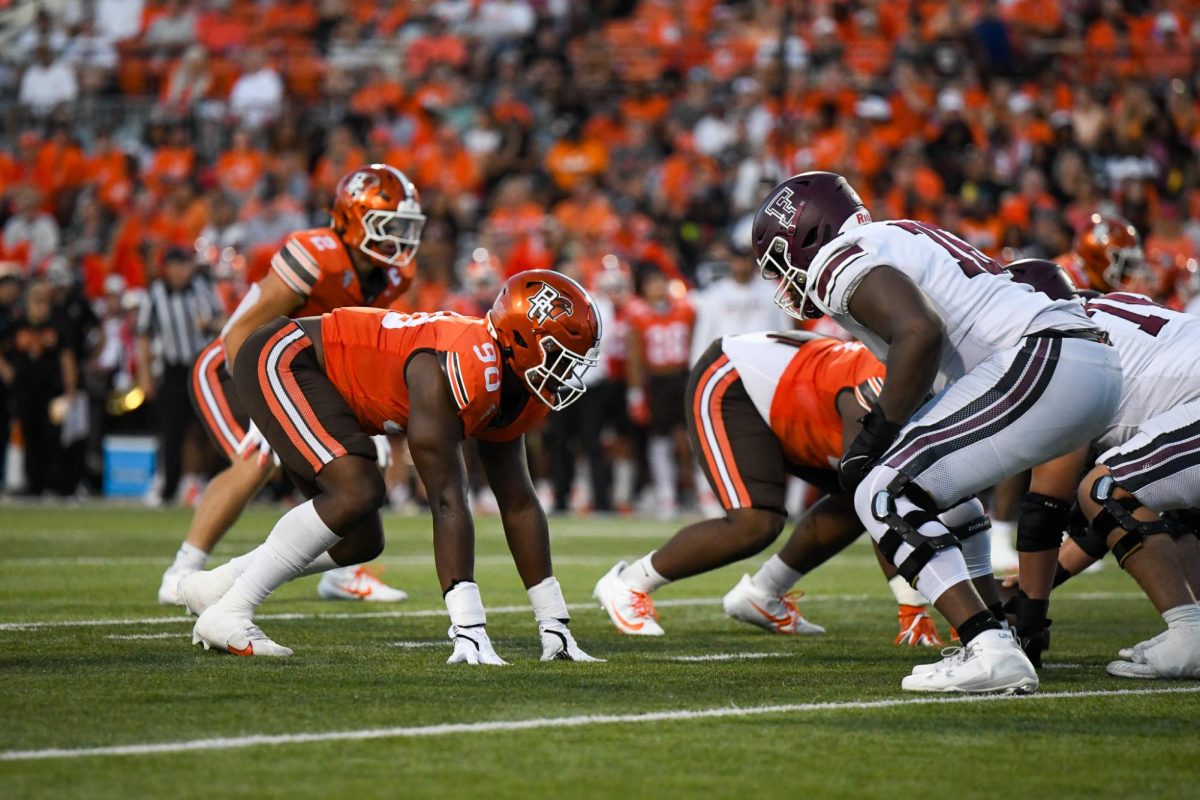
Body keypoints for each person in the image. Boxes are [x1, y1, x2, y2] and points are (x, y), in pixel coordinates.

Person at [751, 172, 1122, 693]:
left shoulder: (838, 259)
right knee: (938, 494)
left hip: (1040, 357)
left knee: (879, 487)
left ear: (807, 236)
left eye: (779, 262)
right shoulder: (894, 236)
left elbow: (919, 331)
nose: (785, 281)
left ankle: (988, 647)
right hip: (1084, 361)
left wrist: (876, 433)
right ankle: (1002, 631)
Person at [180, 270, 603, 663]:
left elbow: (519, 504)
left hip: (324, 379)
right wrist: (469, 626)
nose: (566, 371)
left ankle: (217, 588)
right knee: (357, 491)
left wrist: (555, 625)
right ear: (520, 341)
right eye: (559, 355)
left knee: (359, 541)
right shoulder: (456, 365)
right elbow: (446, 499)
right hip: (286, 356)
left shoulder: (512, 386)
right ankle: (231, 612)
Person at [156, 165, 423, 605]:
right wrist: (261, 401)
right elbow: (240, 331)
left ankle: (344, 571)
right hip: (232, 365)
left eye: (404, 227)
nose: (399, 238)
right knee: (255, 460)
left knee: (355, 456)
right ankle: (181, 571)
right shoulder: (314, 254)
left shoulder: (394, 275)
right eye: (389, 225)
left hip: (299, 374)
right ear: (354, 220)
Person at [595, 330, 949, 647]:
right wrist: (912, 605)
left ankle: (762, 594)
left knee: (853, 503)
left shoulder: (924, 381)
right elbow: (878, 495)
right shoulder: (879, 385)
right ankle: (628, 583)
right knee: (755, 524)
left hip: (795, 401)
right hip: (735, 382)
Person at [1003, 259, 1200, 679]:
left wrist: (1029, 616)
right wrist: (1038, 581)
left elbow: (1046, 507)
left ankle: (1190, 634)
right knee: (1152, 502)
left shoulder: (1065, 352)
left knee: (1104, 488)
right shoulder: (1114, 311)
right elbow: (1120, 523)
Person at [136, 248, 225, 505]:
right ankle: (168, 485)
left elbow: (224, 321)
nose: (180, 272)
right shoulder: (154, 294)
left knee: (203, 429)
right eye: (176, 266)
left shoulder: (203, 287)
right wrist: (144, 374)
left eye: (184, 265)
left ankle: (196, 481)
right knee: (171, 429)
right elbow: (144, 334)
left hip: (202, 367)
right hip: (173, 368)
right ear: (167, 268)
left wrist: (208, 324)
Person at [625, 270, 695, 519]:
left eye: (660, 283)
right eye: (652, 283)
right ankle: (666, 495)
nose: (657, 288)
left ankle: (704, 493)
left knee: (694, 437)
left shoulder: (686, 309)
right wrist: (635, 393)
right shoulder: (639, 315)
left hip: (683, 377)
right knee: (660, 439)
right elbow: (634, 357)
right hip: (658, 382)